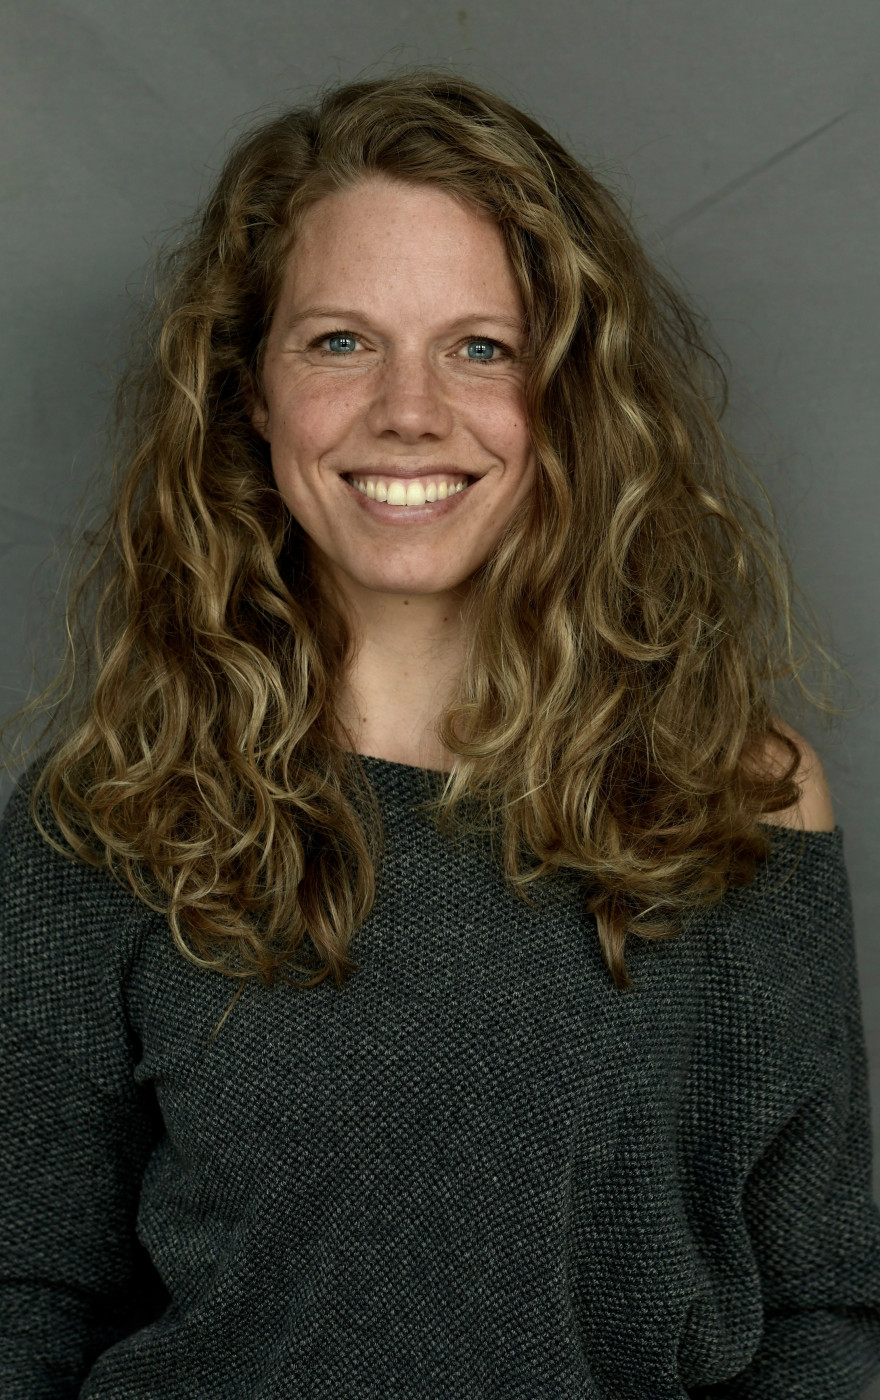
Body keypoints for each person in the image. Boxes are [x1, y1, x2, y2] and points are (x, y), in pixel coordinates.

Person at [1, 68, 879, 1399]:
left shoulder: (731, 796)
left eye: (482, 347)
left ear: (570, 394)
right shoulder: (114, 809)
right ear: (252, 390)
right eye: (339, 341)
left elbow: (817, 1308)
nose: (409, 410)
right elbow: (25, 1297)